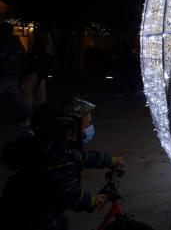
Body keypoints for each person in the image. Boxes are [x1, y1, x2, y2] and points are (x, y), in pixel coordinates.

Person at [0, 98, 125, 230]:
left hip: (26, 204)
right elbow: (70, 194)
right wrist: (91, 201)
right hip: (32, 215)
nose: (89, 129)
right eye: (85, 126)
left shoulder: (55, 146)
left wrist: (110, 160)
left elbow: (82, 158)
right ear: (69, 131)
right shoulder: (57, 159)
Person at [0, 22, 29, 125]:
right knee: (17, 97)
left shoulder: (4, 41)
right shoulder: (16, 41)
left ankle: (29, 114)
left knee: (17, 97)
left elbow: (2, 56)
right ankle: (30, 114)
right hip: (13, 72)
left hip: (6, 72)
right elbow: (23, 55)